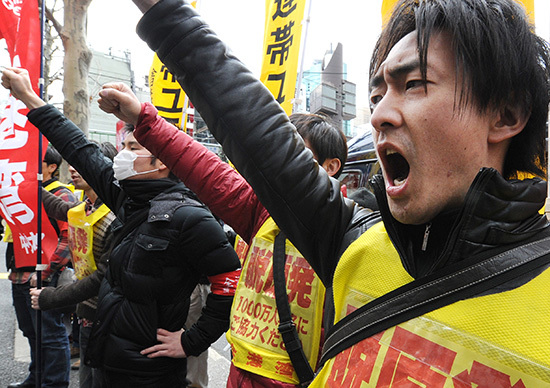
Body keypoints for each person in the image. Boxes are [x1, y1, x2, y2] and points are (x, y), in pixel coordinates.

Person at [131, 0, 550, 386]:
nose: (379, 114)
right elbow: (256, 134)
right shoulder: (353, 246)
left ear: (508, 114)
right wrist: (165, 17)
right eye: (377, 91)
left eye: (413, 84)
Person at [96, 81, 349, 387]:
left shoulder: (349, 230)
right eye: (278, 158)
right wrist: (143, 118)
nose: (282, 169)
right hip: (241, 376)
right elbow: (204, 167)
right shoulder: (260, 210)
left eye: (297, 158)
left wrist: (191, 341)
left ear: (331, 167)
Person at [2, 67, 243, 387]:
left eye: (133, 149)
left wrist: (192, 341)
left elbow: (230, 279)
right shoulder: (129, 202)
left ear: (162, 163)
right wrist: (28, 96)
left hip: (150, 373)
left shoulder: (190, 217)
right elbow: (79, 149)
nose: (122, 155)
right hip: (107, 357)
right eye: (124, 147)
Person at [29, 142, 118, 388]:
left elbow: (102, 277)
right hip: (88, 312)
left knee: (98, 380)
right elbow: (59, 208)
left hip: (107, 316)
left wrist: (53, 297)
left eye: (83, 164)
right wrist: (26, 182)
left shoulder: (114, 216)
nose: (74, 170)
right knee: (88, 380)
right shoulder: (86, 207)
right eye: (73, 163)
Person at [7, 145, 76, 388]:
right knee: (31, 332)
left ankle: (54, 383)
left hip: (44, 278)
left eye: (36, 161)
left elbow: (69, 239)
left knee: (51, 335)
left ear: (51, 167)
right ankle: (36, 378)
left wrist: (46, 272)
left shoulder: (61, 194)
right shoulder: (20, 192)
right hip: (19, 273)